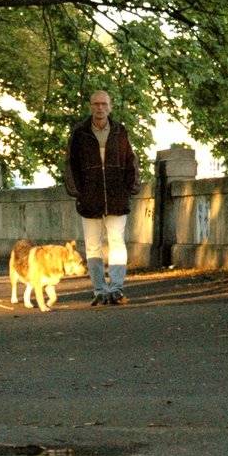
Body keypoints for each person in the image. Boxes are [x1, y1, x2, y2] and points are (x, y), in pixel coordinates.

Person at [64, 90, 142, 304]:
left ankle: (116, 288)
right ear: (91, 106)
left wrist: (129, 189)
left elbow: (131, 162)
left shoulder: (120, 131)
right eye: (96, 104)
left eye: (104, 104)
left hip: (117, 197)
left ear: (110, 107)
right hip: (89, 198)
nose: (100, 108)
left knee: (117, 241)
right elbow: (71, 165)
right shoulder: (79, 132)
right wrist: (78, 192)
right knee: (92, 245)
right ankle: (100, 289)